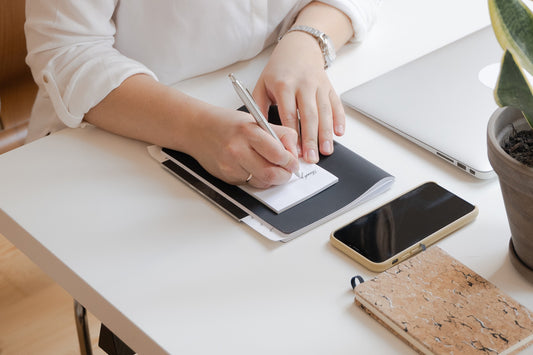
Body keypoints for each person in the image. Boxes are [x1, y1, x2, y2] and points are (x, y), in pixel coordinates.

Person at [25, 0, 378, 188]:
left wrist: (305, 42)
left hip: (263, 85)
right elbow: (66, 52)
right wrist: (198, 130)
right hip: (116, 130)